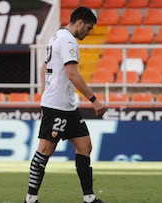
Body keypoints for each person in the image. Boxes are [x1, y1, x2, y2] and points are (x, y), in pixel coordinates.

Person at [24, 7, 106, 203]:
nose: (88, 32)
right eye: (88, 28)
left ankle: (89, 198)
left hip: (67, 106)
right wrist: (94, 100)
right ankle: (30, 199)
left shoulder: (56, 36)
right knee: (45, 150)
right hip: (56, 106)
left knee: (85, 146)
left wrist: (46, 91)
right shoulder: (68, 40)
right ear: (79, 22)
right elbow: (72, 74)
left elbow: (44, 67)